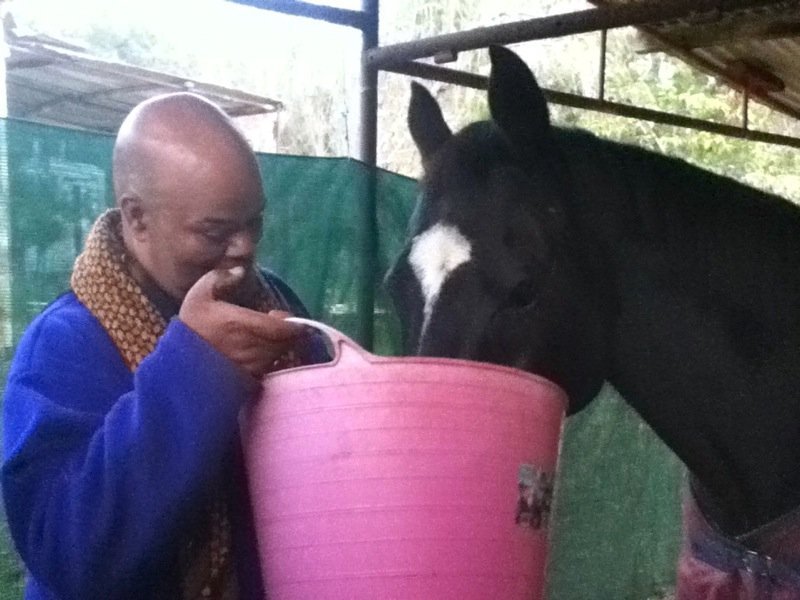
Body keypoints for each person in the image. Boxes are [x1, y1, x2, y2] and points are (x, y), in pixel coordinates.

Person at [1, 92, 328, 599]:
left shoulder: (274, 300)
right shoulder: (63, 344)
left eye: (253, 222)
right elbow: (67, 552)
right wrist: (197, 370)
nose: (244, 247)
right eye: (215, 230)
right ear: (137, 219)